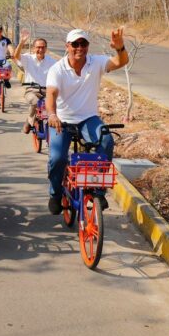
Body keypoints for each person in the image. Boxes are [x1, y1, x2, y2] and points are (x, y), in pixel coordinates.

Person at [45, 28, 128, 214]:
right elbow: (50, 95)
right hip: (62, 121)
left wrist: (120, 47)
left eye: (83, 44)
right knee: (57, 158)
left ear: (87, 46)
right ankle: (55, 193)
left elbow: (120, 61)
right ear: (67, 46)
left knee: (106, 141)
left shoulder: (96, 62)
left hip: (88, 118)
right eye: (75, 44)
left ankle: (98, 191)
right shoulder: (57, 69)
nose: (79, 48)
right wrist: (52, 115)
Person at [13, 29, 57, 134]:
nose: (40, 49)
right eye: (38, 47)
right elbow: (16, 56)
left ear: (46, 48)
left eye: (42, 47)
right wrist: (22, 42)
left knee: (54, 106)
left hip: (47, 91)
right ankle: (29, 120)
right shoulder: (28, 58)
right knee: (36, 102)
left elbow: (59, 73)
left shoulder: (52, 62)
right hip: (31, 89)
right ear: (33, 48)